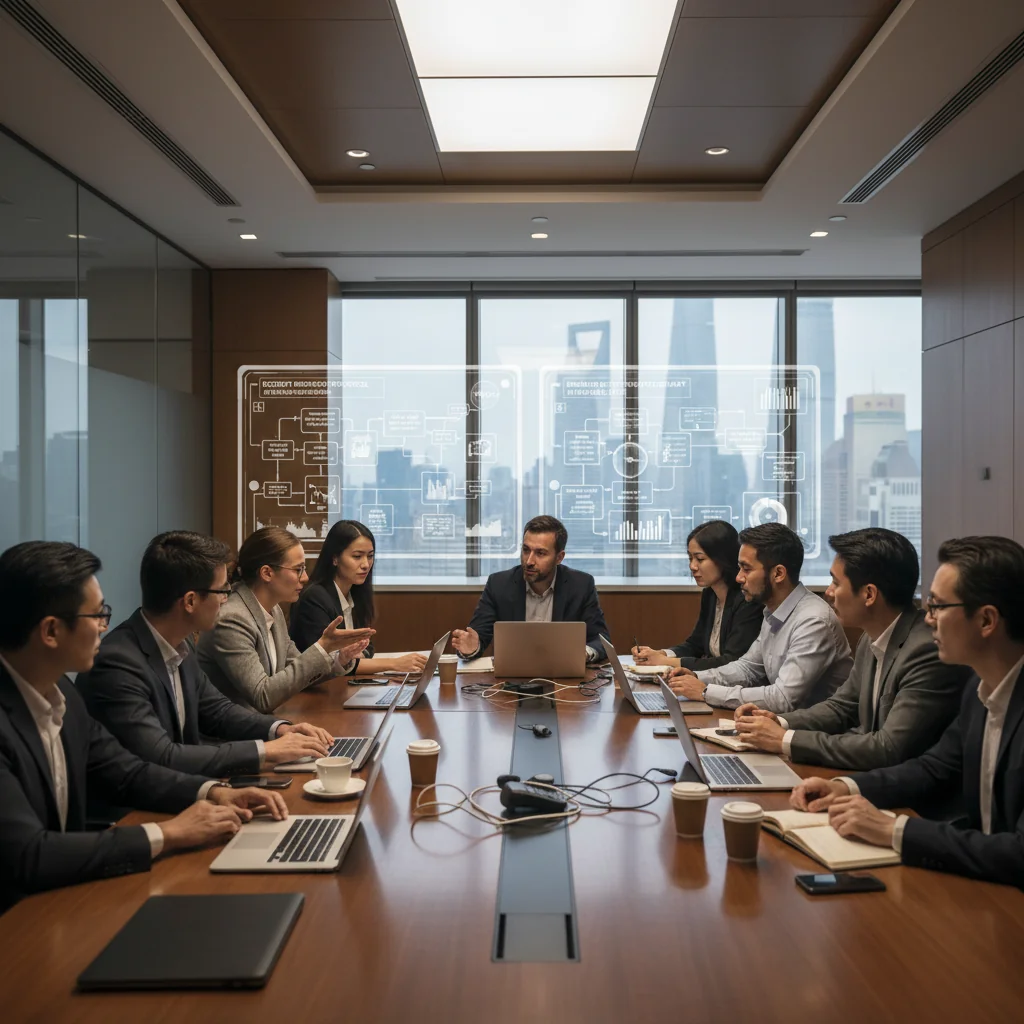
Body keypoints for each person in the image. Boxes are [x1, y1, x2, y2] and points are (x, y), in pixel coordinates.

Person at [0, 541, 287, 913]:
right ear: (51, 631)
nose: (105, 626)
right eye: (97, 615)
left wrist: (213, 792)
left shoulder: (61, 694)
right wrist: (167, 833)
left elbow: (126, 771)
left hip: (62, 896)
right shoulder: (109, 666)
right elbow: (28, 853)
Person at [790, 536, 1024, 886]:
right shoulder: (980, 691)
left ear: (987, 620)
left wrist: (896, 830)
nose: (928, 620)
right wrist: (846, 787)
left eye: (938, 607)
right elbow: (935, 766)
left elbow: (1018, 853)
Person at [77, 531, 334, 777]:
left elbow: (217, 711)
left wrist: (280, 729)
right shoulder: (117, 664)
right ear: (190, 602)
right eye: (222, 590)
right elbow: (160, 756)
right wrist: (264, 751)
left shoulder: (179, 643)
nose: (226, 599)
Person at [734, 528, 969, 769]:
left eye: (836, 582)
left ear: (869, 594)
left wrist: (785, 739)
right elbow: (842, 707)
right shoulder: (871, 637)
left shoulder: (925, 651)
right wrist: (780, 721)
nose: (828, 592)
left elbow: (888, 748)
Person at [668, 522, 851, 712]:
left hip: (815, 732)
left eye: (746, 569)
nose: (738, 577)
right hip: (780, 725)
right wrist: (697, 677)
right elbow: (748, 668)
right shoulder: (772, 610)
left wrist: (706, 691)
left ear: (778, 573)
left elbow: (783, 698)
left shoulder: (813, 621)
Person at [196, 526, 373, 713]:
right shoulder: (232, 619)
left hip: (266, 722)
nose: (305, 578)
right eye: (298, 569)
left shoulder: (274, 610)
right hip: (232, 736)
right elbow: (262, 696)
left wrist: (339, 659)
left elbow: (299, 671)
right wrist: (321, 647)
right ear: (267, 573)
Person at [451, 515, 610, 662]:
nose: (529, 561)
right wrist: (472, 647)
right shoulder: (499, 584)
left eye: (540, 553)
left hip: (565, 678)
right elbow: (479, 637)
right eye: (526, 550)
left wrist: (584, 653)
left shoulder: (581, 585)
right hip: (512, 679)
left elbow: (601, 640)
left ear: (559, 557)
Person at [288, 520, 428, 677]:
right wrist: (394, 664)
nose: (366, 564)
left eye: (370, 556)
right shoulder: (314, 598)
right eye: (357, 556)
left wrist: (357, 656)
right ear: (335, 558)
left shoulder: (355, 592)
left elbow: (368, 647)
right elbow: (327, 663)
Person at [632, 520, 762, 670]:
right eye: (690, 558)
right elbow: (695, 644)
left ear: (723, 558)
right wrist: (660, 654)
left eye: (700, 559)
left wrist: (666, 662)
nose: (692, 566)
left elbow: (731, 661)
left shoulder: (747, 599)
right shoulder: (710, 594)